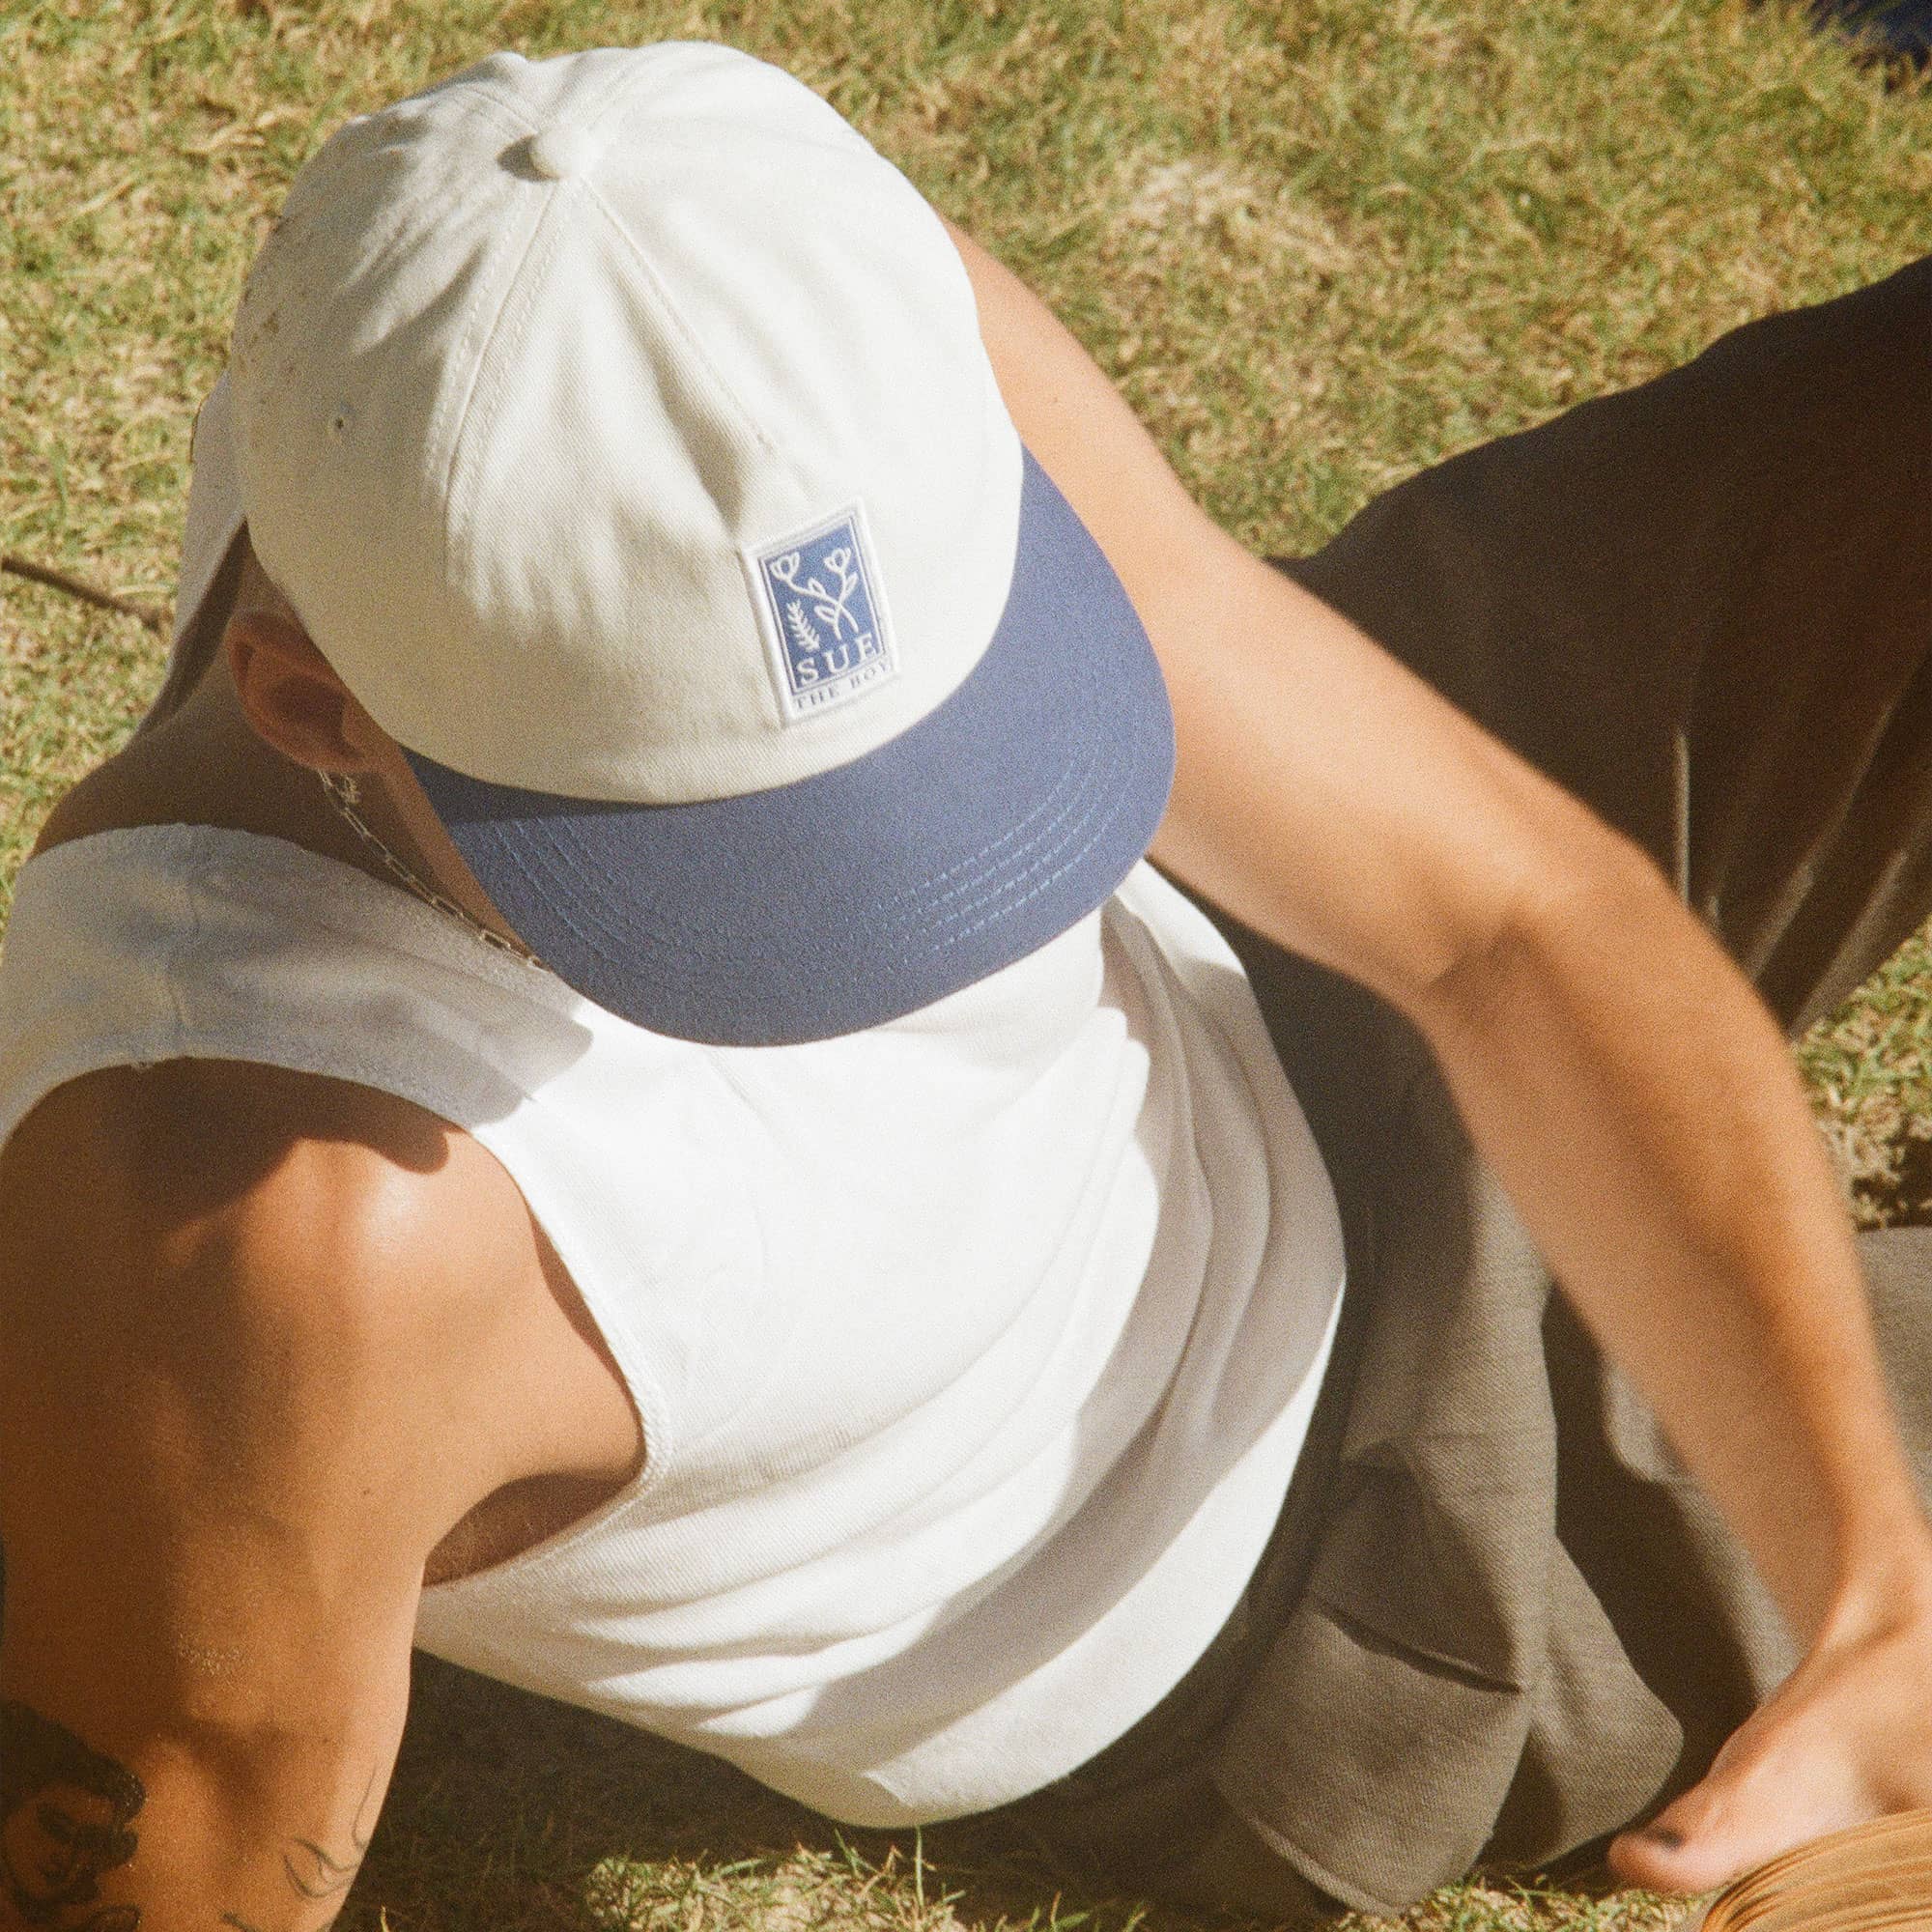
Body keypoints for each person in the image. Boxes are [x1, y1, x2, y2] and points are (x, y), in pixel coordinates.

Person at [1, 39, 1928, 1929]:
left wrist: (1870, 1598)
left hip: (1247, 950)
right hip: (1328, 1541)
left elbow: (1493, 929)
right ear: (314, 704)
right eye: (744, 871)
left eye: (925, 780)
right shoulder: (265, 1242)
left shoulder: (721, 306)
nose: (923, 917)